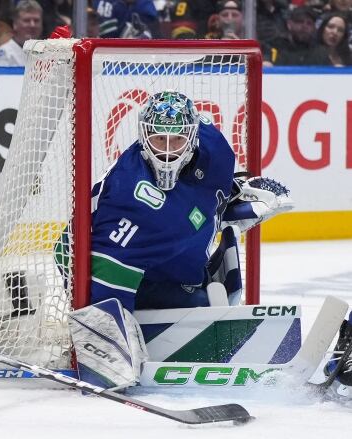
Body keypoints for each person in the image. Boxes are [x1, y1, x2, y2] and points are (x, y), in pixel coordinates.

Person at [61, 91, 293, 390]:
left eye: (177, 140)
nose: (168, 151)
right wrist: (107, 341)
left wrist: (233, 195)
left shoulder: (215, 148)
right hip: (91, 264)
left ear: (193, 136)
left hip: (159, 261)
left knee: (208, 292)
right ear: (144, 136)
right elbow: (106, 269)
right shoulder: (129, 195)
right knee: (201, 303)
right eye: (159, 139)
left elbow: (201, 195)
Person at [262, 6, 329, 66]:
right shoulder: (274, 46)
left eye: (309, 23)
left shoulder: (320, 52)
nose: (304, 26)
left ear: (314, 28)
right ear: (289, 24)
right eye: (300, 21)